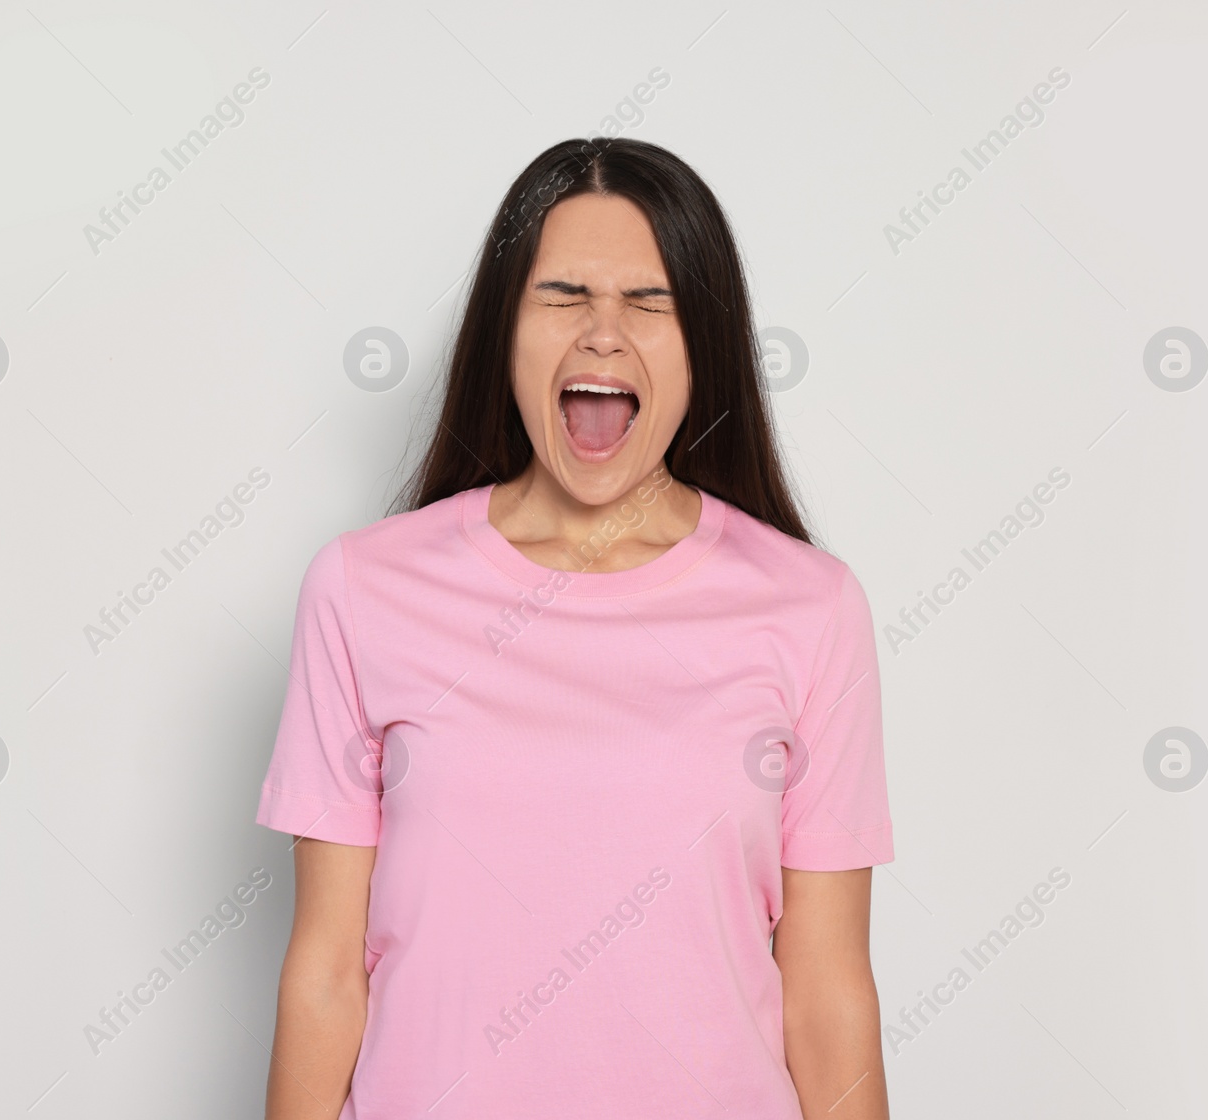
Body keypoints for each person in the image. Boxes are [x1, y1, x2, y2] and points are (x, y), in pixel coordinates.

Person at [255, 136, 895, 1119]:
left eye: (650, 302)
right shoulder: (362, 589)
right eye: (562, 296)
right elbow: (326, 973)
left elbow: (826, 993)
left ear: (706, 344)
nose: (603, 335)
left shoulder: (810, 607)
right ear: (501, 330)